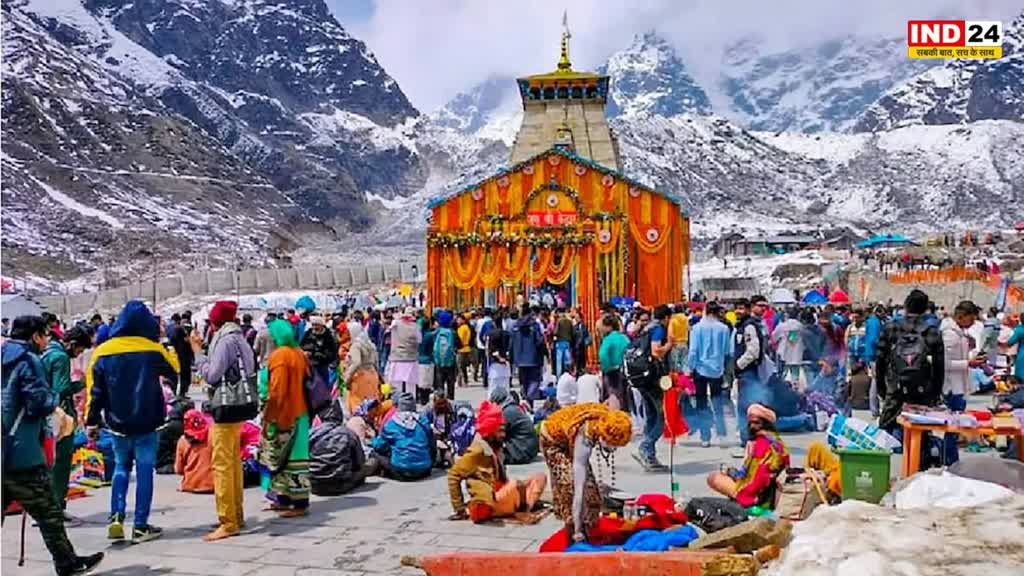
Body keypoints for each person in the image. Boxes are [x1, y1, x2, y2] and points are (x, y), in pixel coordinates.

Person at [3, 316, 105, 576]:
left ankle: (68, 562)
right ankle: (67, 563)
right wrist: (52, 401)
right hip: (20, 453)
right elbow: (38, 401)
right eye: (45, 335)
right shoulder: (28, 360)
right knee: (48, 512)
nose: (47, 340)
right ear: (36, 336)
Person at [85, 300, 178, 543]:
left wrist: (91, 422)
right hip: (148, 421)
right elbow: (174, 371)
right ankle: (140, 525)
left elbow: (95, 392)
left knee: (120, 467)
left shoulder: (102, 352)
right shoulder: (153, 350)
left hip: (117, 423)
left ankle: (116, 517)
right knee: (145, 470)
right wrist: (166, 344)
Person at [193, 300, 256, 540]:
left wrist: (198, 352)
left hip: (225, 408)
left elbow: (211, 375)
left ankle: (227, 520)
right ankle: (236, 515)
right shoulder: (240, 339)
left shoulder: (225, 341)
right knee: (232, 463)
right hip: (238, 408)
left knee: (222, 464)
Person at [539, 403, 632, 542]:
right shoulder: (585, 436)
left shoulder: (608, 420)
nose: (613, 449)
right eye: (612, 445)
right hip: (553, 440)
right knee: (569, 485)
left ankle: (590, 530)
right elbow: (578, 488)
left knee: (592, 493)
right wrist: (577, 530)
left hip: (570, 435)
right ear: (604, 436)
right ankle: (573, 533)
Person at [447, 401, 547, 523]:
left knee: (540, 477)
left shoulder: (497, 447)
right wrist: (459, 508)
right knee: (516, 484)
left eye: (504, 431)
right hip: (489, 502)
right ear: (490, 431)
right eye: (499, 431)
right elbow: (453, 475)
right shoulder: (477, 450)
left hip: (502, 492)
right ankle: (523, 507)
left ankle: (526, 507)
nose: (503, 435)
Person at [258, 318, 312, 519]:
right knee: (293, 460)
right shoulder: (298, 352)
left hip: (285, 414)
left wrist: (269, 415)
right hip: (301, 413)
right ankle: (284, 499)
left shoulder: (280, 356)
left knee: (286, 460)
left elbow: (277, 391)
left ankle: (299, 503)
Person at [876, 289, 945, 434]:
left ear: (906, 305)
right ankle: (920, 455)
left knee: (885, 430)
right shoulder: (932, 331)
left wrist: (882, 388)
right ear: (926, 309)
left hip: (896, 386)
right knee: (921, 430)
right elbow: (939, 367)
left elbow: (880, 361)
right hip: (922, 388)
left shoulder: (890, 328)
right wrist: (935, 393)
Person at [40, 325, 92, 517]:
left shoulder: (47, 352)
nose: (77, 354)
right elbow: (61, 389)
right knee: (61, 464)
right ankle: (56, 508)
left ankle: (46, 508)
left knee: (48, 463)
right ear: (71, 343)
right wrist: (81, 384)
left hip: (44, 414)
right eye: (78, 350)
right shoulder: (60, 357)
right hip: (59, 416)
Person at [707, 404, 790, 508]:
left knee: (713, 478)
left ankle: (742, 504)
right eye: (750, 423)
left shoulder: (762, 444)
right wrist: (732, 473)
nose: (752, 426)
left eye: (756, 423)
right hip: (768, 492)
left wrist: (744, 494)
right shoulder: (776, 440)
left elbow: (758, 480)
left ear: (766, 424)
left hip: (757, 497)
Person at [942, 301, 984, 466]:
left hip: (959, 385)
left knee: (955, 429)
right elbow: (946, 363)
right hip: (952, 386)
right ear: (961, 316)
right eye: (971, 319)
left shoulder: (959, 333)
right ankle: (950, 462)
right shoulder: (949, 335)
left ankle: (952, 461)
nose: (973, 323)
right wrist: (968, 363)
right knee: (952, 429)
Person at [687, 301, 732, 448]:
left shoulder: (696, 328)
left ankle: (705, 436)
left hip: (700, 369)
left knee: (701, 402)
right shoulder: (724, 328)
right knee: (717, 401)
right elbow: (727, 351)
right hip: (717, 368)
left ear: (705, 311)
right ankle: (721, 435)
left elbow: (693, 351)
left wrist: (689, 368)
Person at [635, 305, 672, 471]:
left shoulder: (645, 328)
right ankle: (645, 446)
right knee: (662, 417)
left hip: (642, 377)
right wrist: (669, 345)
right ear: (666, 318)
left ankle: (649, 455)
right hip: (653, 379)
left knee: (650, 416)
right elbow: (656, 351)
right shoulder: (658, 329)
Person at [309, 400, 371, 496]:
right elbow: (359, 461)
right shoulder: (349, 433)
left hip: (315, 485)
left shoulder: (311, 433)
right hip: (341, 484)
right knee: (370, 465)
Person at [371, 392, 434, 481]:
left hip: (401, 472)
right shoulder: (423, 421)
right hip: (424, 470)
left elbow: (379, 446)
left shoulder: (392, 424)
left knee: (374, 453)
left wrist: (372, 439)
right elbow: (432, 443)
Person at [733, 296, 770, 446]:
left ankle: (747, 438)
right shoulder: (745, 325)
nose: (738, 311)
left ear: (748, 309)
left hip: (748, 372)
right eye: (737, 308)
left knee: (747, 406)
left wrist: (738, 365)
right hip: (746, 372)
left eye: (741, 308)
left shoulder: (749, 326)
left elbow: (753, 351)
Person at [488, 385, 540, 465]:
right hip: (527, 448)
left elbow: (497, 432)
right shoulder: (512, 408)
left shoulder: (508, 411)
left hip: (522, 452)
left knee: (488, 457)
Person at [343, 323, 380, 415]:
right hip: (372, 375)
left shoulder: (356, 346)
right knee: (371, 407)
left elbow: (356, 362)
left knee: (358, 407)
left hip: (360, 378)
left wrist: (347, 378)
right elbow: (376, 363)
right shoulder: (371, 344)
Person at [511, 306, 546, 405]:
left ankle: (526, 396)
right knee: (534, 380)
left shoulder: (516, 326)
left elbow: (511, 343)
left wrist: (513, 359)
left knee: (524, 380)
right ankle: (530, 397)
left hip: (520, 359)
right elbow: (539, 341)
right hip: (533, 358)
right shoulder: (534, 325)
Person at [300, 315, 337, 408]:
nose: (314, 327)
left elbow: (331, 354)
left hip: (322, 367)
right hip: (309, 367)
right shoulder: (308, 334)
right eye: (313, 325)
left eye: (316, 325)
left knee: (322, 389)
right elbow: (301, 346)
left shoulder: (328, 337)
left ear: (321, 326)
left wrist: (314, 354)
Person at [174, 409, 214, 493]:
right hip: (214, 484)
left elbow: (178, 469)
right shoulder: (213, 435)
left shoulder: (182, 441)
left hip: (190, 485)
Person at [386, 308, 421, 397]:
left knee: (397, 385)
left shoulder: (396, 323)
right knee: (411, 385)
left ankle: (398, 404)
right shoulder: (415, 327)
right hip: (411, 359)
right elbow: (419, 340)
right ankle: (410, 403)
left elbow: (387, 330)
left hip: (397, 357)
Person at [597, 314, 630, 411]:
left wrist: (606, 368)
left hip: (612, 373)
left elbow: (603, 355)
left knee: (613, 399)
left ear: (608, 327)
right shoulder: (625, 338)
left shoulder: (608, 339)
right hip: (625, 371)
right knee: (624, 399)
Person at [771, 307, 805, 385]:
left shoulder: (782, 326)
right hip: (797, 353)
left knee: (782, 374)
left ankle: (783, 389)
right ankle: (795, 386)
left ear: (787, 315)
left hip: (783, 353)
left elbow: (774, 337)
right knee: (795, 375)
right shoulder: (801, 326)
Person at [433, 311, 458, 399]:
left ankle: (440, 402)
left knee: (440, 384)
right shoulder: (453, 332)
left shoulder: (436, 332)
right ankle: (451, 402)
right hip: (451, 362)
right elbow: (458, 345)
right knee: (450, 384)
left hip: (438, 362)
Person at [485, 316, 512, 393]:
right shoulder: (507, 334)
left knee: (493, 385)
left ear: (493, 323)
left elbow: (489, 348)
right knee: (505, 385)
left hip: (494, 363)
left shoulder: (490, 334)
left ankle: (493, 402)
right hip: (506, 363)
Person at [416, 316, 437, 405]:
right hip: (428, 360)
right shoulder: (430, 335)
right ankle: (425, 399)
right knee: (427, 382)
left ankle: (420, 397)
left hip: (418, 359)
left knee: (419, 380)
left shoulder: (418, 335)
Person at [553, 309, 574, 377]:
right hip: (567, 342)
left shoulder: (559, 321)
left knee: (559, 361)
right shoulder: (569, 322)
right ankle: (567, 375)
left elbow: (555, 332)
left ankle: (559, 377)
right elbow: (573, 332)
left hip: (559, 342)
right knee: (567, 360)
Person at [455, 315, 474, 388]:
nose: (457, 321)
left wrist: (457, 346)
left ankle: (462, 381)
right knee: (463, 366)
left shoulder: (462, 328)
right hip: (466, 348)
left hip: (461, 349)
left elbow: (460, 339)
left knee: (460, 366)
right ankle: (462, 381)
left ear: (463, 320)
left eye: (459, 320)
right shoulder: (467, 327)